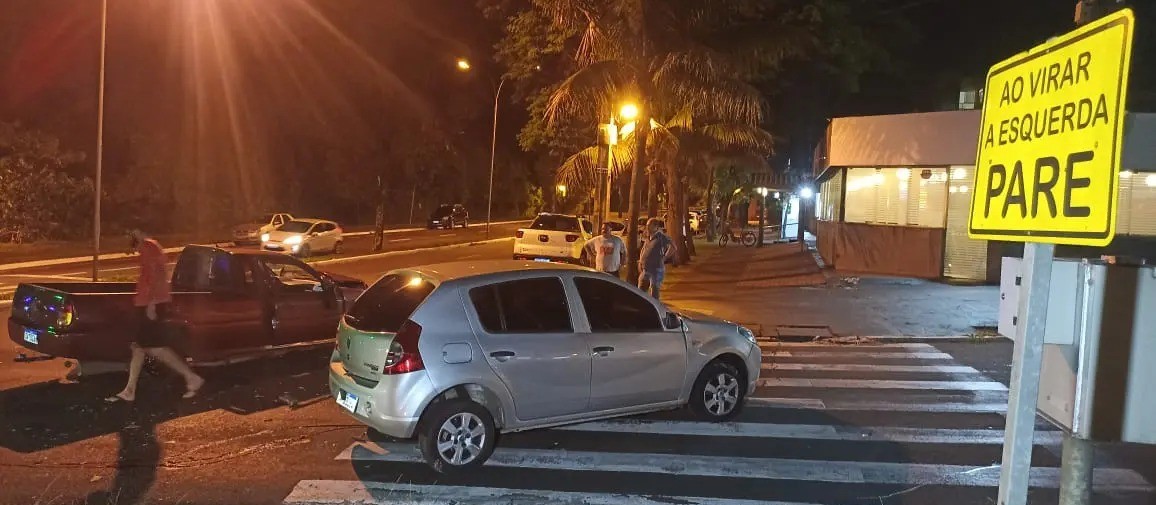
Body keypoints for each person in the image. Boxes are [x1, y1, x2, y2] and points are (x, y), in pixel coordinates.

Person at [106, 230, 204, 403]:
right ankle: (130, 390)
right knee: (139, 347)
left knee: (154, 347)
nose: (134, 251)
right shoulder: (152, 245)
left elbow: (154, 276)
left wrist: (151, 304)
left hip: (151, 304)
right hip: (149, 302)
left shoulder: (148, 247)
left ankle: (191, 377)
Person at [638, 218, 674, 299]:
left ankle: (655, 308)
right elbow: (644, 249)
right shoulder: (648, 237)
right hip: (645, 269)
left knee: (654, 291)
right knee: (640, 291)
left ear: (656, 227)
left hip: (656, 269)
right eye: (647, 225)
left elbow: (673, 247)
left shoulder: (661, 237)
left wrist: (665, 257)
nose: (647, 227)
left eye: (649, 225)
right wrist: (640, 261)